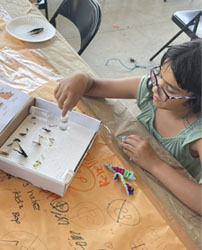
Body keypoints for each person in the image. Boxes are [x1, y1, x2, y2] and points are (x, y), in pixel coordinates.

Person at [54, 39, 202, 215]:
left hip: (164, 201)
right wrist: (81, 78)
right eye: (160, 75)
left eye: (170, 90)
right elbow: (94, 86)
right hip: (132, 179)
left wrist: (154, 164)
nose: (156, 88)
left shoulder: (197, 135)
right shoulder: (151, 88)